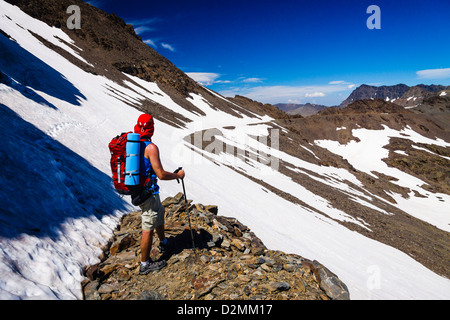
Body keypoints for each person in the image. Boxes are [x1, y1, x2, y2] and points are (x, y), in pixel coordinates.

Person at [133, 113, 185, 275]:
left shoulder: (134, 144)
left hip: (141, 190)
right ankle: (144, 264)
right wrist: (178, 176)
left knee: (159, 212)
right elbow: (161, 174)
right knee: (148, 226)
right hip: (147, 192)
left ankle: (163, 241)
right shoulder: (150, 147)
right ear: (152, 129)